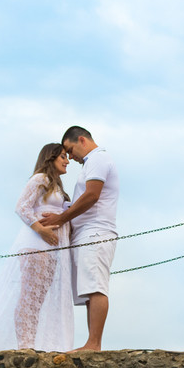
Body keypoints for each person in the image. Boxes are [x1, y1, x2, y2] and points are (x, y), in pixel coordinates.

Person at [0, 144, 76, 351]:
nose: (67, 161)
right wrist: (41, 230)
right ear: (51, 158)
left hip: (50, 249)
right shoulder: (40, 179)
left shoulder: (55, 185)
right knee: (29, 295)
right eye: (63, 157)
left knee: (37, 298)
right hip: (35, 245)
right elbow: (21, 206)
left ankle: (30, 341)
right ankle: (25, 344)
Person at [39, 126, 119, 352]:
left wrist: (62, 217)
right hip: (87, 234)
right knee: (89, 290)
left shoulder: (98, 159)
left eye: (70, 150)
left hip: (96, 232)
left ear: (82, 140)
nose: (70, 157)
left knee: (96, 287)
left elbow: (92, 195)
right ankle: (92, 343)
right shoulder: (91, 163)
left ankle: (94, 344)